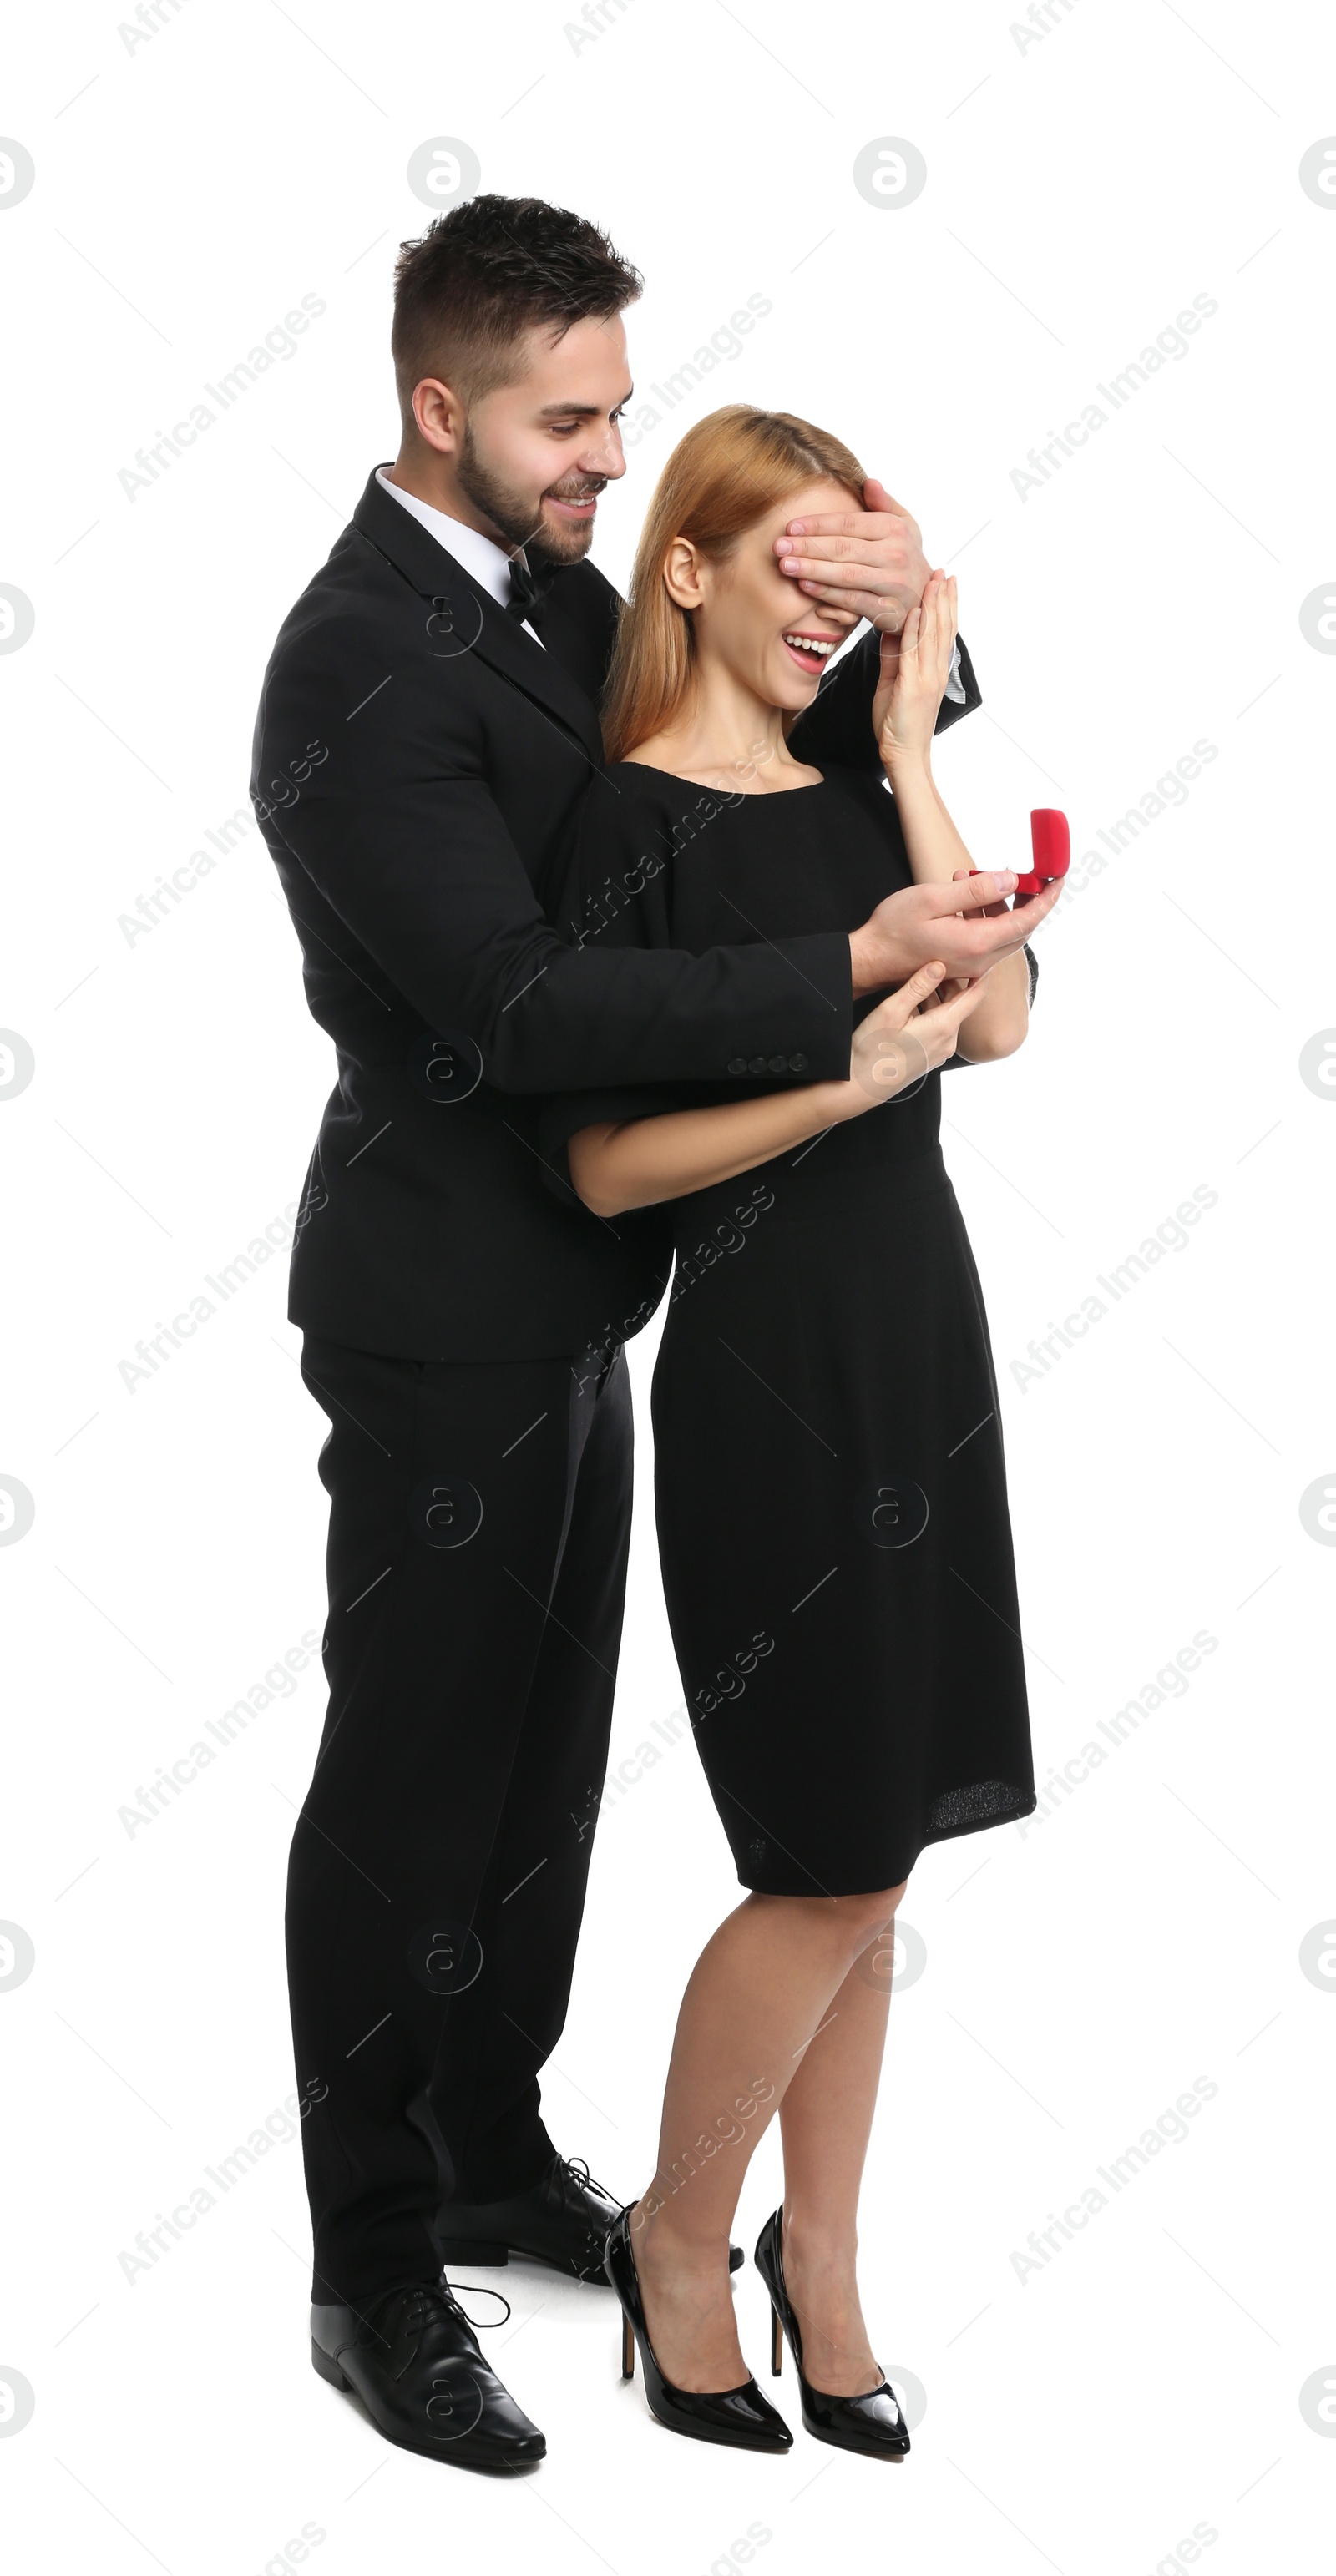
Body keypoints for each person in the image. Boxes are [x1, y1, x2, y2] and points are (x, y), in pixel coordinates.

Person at [250, 193, 1034, 2472]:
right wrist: (854, 994)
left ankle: (492, 2142)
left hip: (602, 1308)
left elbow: (733, 760)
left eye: (613, 409)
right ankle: (376, 2258)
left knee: (535, 1780)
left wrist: (919, 627)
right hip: (439, 1309)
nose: (610, 449)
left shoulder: (554, 601)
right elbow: (522, 1000)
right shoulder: (353, 662)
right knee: (412, 1784)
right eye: (569, 418)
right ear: (440, 409)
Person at [538, 404, 1059, 2458]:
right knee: (821, 1859)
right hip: (764, 1361)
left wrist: (917, 751)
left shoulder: (862, 788)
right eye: (793, 577)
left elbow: (1001, 1019)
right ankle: (683, 2241)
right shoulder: (621, 824)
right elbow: (597, 1169)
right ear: (687, 568)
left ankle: (817, 2258)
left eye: (858, 592)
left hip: (921, 1335)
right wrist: (834, 1086)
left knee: (886, 1846)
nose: (826, 626)